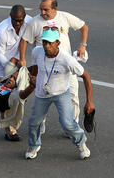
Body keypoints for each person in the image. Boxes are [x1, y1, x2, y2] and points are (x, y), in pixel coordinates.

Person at [19, 0, 89, 133]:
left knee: (73, 95)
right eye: (41, 9)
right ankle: (40, 124)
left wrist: (83, 45)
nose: (42, 13)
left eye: (46, 10)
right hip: (43, 68)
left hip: (65, 66)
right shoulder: (35, 22)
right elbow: (24, 40)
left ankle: (72, 126)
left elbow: (84, 27)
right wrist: (22, 58)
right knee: (42, 97)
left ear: (54, 8)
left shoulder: (64, 17)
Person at [24, 28, 95, 160]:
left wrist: (89, 101)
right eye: (44, 42)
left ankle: (82, 144)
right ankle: (34, 145)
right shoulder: (37, 51)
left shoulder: (67, 59)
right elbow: (35, 67)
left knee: (67, 123)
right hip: (42, 94)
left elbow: (86, 77)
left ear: (58, 43)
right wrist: (33, 78)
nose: (46, 46)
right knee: (34, 122)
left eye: (50, 43)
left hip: (61, 93)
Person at [0, 5, 32, 141]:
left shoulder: (28, 21)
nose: (18, 24)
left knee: (16, 96)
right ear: (10, 17)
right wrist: (12, 68)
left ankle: (10, 122)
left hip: (14, 65)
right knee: (6, 98)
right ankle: (10, 130)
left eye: (20, 20)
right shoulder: (2, 30)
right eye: (15, 20)